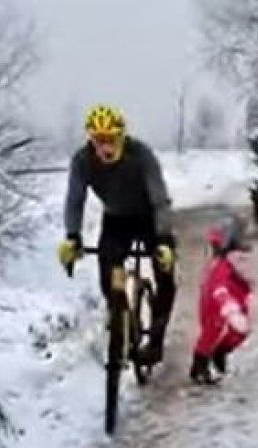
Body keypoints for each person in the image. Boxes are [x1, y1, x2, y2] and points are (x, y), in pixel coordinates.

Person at [57, 104, 178, 366]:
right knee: (107, 266)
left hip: (149, 217)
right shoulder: (82, 161)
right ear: (91, 140)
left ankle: (155, 341)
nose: (105, 147)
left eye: (111, 139)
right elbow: (75, 200)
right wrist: (72, 236)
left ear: (122, 136)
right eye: (99, 141)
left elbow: (159, 199)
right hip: (117, 219)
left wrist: (164, 240)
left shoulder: (141, 155)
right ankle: (118, 315)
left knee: (166, 275)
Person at [190, 216, 254, 385]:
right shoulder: (220, 266)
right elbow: (217, 286)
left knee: (239, 331)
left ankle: (219, 352)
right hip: (218, 304)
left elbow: (243, 275)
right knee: (211, 332)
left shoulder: (236, 260)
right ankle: (200, 364)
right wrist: (226, 302)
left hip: (235, 300)